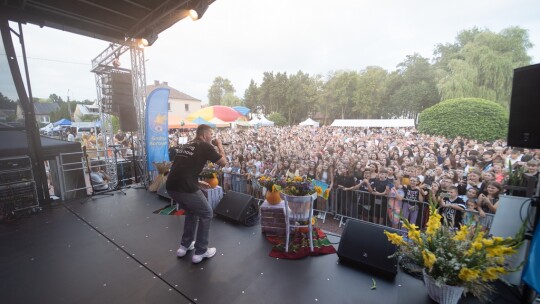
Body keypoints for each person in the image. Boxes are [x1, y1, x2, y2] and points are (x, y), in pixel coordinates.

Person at [165, 124, 227, 264]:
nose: (212, 137)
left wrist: (197, 182)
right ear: (204, 135)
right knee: (207, 213)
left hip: (171, 186)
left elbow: (183, 169)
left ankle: (184, 246)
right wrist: (219, 145)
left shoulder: (187, 144)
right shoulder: (205, 145)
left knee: (191, 211)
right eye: (211, 134)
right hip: (185, 187)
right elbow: (223, 162)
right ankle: (201, 251)